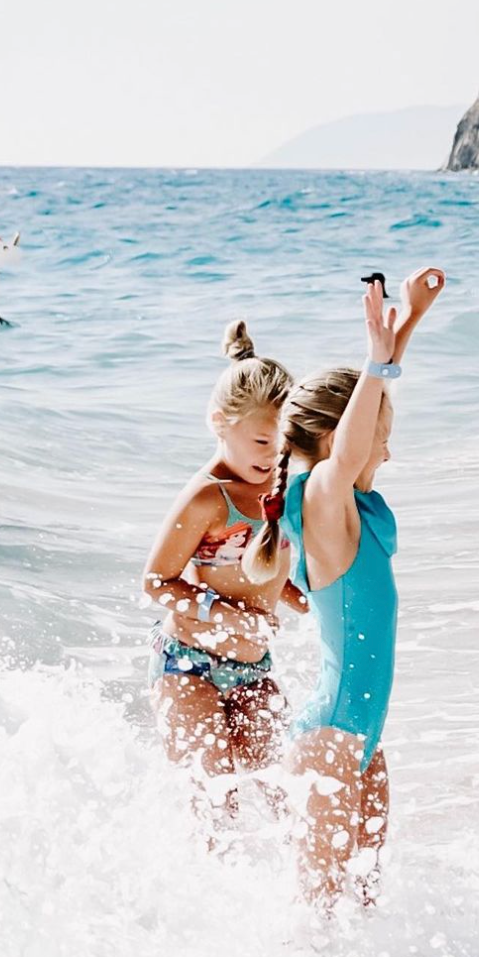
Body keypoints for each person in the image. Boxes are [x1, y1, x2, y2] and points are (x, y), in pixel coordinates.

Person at [244, 267, 446, 909]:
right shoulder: (324, 505)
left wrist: (408, 323)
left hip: (359, 743)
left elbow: (363, 422)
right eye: (379, 442)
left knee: (361, 906)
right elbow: (354, 440)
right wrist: (375, 361)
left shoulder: (347, 507)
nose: (386, 455)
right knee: (319, 913)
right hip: (331, 742)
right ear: (339, 443)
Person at [142, 321, 308, 818]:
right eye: (262, 442)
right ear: (220, 423)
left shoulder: (279, 489)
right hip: (187, 664)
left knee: (286, 799)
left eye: (284, 446)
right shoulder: (207, 499)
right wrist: (227, 617)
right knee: (217, 807)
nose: (274, 457)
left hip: (254, 668)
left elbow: (260, 570)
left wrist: (311, 602)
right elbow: (155, 582)